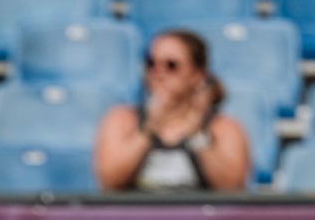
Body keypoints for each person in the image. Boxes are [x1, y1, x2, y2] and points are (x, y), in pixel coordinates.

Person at [95, 29, 251, 193]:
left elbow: (232, 187)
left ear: (198, 74)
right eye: (151, 63)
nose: (159, 73)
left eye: (171, 65)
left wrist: (197, 135)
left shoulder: (223, 127)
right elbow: (110, 181)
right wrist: (148, 130)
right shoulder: (122, 119)